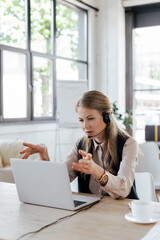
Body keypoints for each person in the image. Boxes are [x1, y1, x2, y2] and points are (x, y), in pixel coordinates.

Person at [20, 90, 138, 199]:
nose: (85, 126)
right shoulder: (80, 145)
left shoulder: (128, 144)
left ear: (107, 116)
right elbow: (59, 181)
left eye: (90, 118)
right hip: (91, 212)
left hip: (123, 212)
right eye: (81, 120)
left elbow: (124, 189)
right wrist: (44, 155)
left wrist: (96, 170)